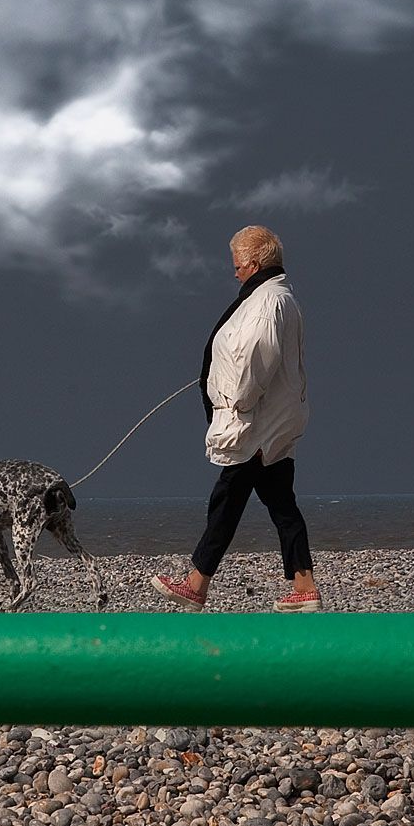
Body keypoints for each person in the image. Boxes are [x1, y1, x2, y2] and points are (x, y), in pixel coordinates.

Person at [152, 225, 321, 612]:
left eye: (238, 266)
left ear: (255, 264)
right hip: (270, 422)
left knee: (228, 500)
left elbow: (254, 363)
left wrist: (234, 404)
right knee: (278, 503)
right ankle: (304, 587)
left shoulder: (266, 303)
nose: (235, 273)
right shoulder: (277, 297)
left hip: (257, 425)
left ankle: (195, 585)